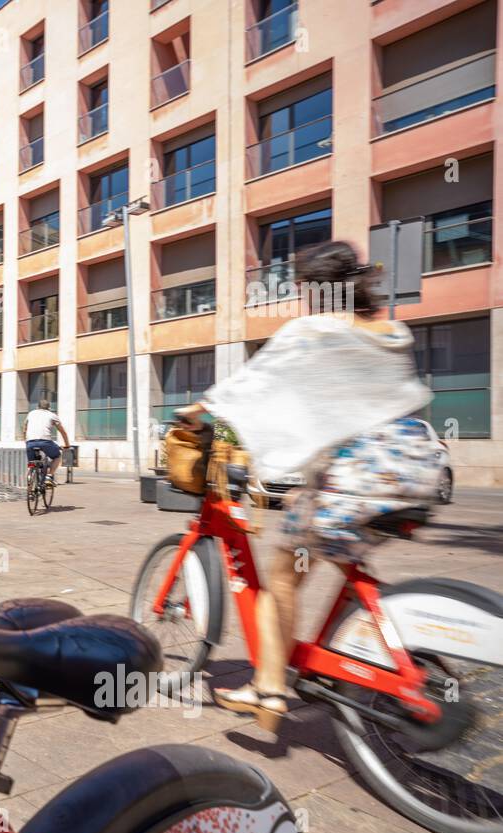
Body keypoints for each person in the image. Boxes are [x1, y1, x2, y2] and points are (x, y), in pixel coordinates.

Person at [175, 240, 441, 731]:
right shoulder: (391, 330)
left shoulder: (315, 329)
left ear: (314, 289)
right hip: (416, 470)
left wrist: (198, 411)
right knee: (330, 541)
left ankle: (270, 688)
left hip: (358, 476)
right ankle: (344, 643)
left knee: (281, 575)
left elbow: (256, 382)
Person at [24, 398, 69, 484]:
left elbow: (25, 428)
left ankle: (30, 480)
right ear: (49, 408)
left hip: (30, 442)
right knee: (57, 456)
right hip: (45, 442)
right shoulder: (52, 415)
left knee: (31, 463)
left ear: (37, 407)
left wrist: (25, 441)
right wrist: (67, 445)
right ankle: (49, 476)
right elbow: (63, 432)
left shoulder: (31, 413)